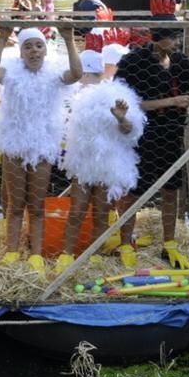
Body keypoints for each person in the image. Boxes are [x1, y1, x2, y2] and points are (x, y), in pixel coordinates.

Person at [114, 0, 189, 269]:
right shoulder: (133, 62)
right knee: (133, 189)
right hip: (143, 134)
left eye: (177, 37)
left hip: (172, 132)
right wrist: (171, 102)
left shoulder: (182, 63)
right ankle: (125, 241)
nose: (176, 43)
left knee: (172, 189)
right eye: (171, 38)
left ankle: (169, 242)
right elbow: (124, 102)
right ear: (156, 38)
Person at [0, 26, 82, 275]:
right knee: (15, 205)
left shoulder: (54, 75)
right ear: (21, 53)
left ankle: (36, 255)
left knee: (37, 206)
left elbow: (76, 74)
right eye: (28, 46)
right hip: (15, 145)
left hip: (42, 147)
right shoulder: (12, 73)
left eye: (38, 45)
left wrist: (69, 39)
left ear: (46, 50)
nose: (34, 51)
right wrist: (3, 37)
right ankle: (12, 252)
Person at [57, 50, 145, 274]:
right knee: (76, 211)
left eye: (87, 75)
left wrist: (121, 118)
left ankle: (95, 256)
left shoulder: (115, 94)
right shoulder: (73, 95)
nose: (84, 80)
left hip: (108, 164)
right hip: (83, 163)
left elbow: (131, 131)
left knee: (100, 212)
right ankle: (66, 256)